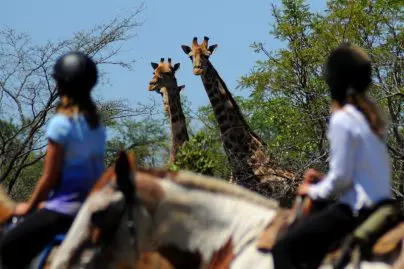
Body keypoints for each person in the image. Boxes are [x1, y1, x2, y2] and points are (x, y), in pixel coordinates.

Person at [271, 43, 392, 269]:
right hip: (384, 206)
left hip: (357, 211)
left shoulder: (342, 119)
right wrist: (325, 180)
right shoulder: (371, 118)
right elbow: (356, 176)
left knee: (283, 249)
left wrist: (311, 190)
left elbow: (342, 179)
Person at [0, 51, 106, 268]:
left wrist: (28, 208)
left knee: (7, 247)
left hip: (63, 212)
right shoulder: (97, 126)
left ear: (61, 85)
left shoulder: (61, 123)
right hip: (91, 211)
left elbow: (49, 178)